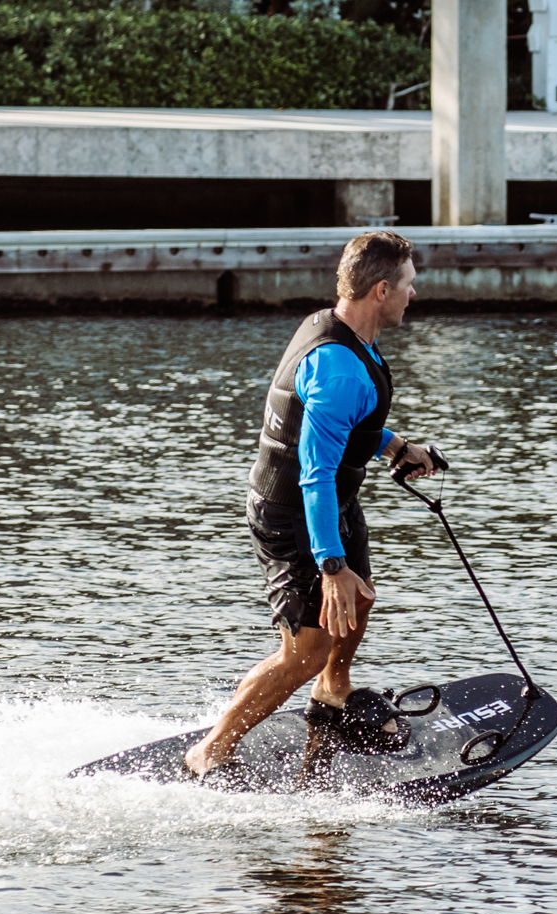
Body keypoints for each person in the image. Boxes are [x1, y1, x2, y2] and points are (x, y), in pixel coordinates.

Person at [185, 230, 437, 776]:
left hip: (329, 502)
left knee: (360, 598)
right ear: (380, 290)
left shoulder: (343, 333)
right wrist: (330, 564)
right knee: (305, 649)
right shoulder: (339, 369)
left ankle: (333, 695)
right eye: (408, 285)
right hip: (295, 512)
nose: (413, 294)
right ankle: (212, 748)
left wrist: (395, 445)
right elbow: (315, 472)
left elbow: (344, 427)